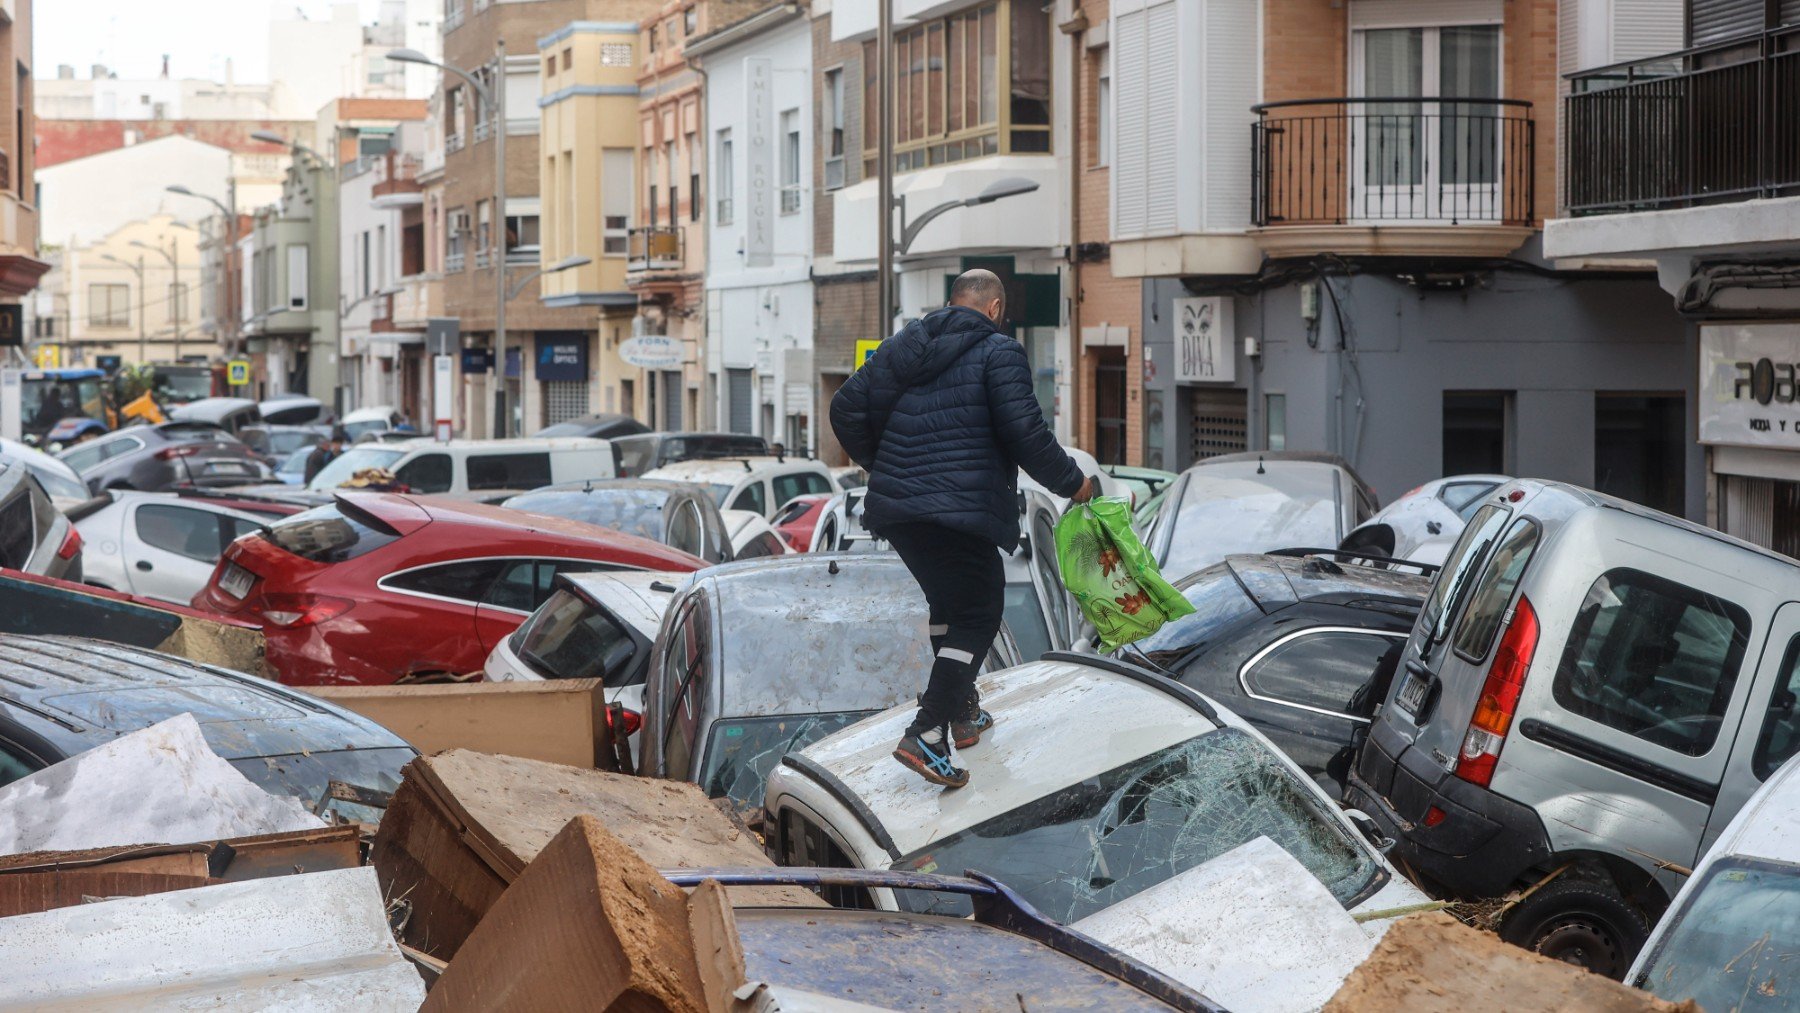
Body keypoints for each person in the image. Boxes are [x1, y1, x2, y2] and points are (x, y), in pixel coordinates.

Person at [830, 268, 1094, 789]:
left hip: (899, 511)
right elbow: (1026, 434)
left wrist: (884, 466)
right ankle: (926, 733)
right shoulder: (1000, 352)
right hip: (960, 510)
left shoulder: (903, 346)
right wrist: (1075, 485)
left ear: (952, 303)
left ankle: (962, 713)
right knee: (980, 610)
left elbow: (844, 408)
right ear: (994, 309)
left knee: (949, 606)